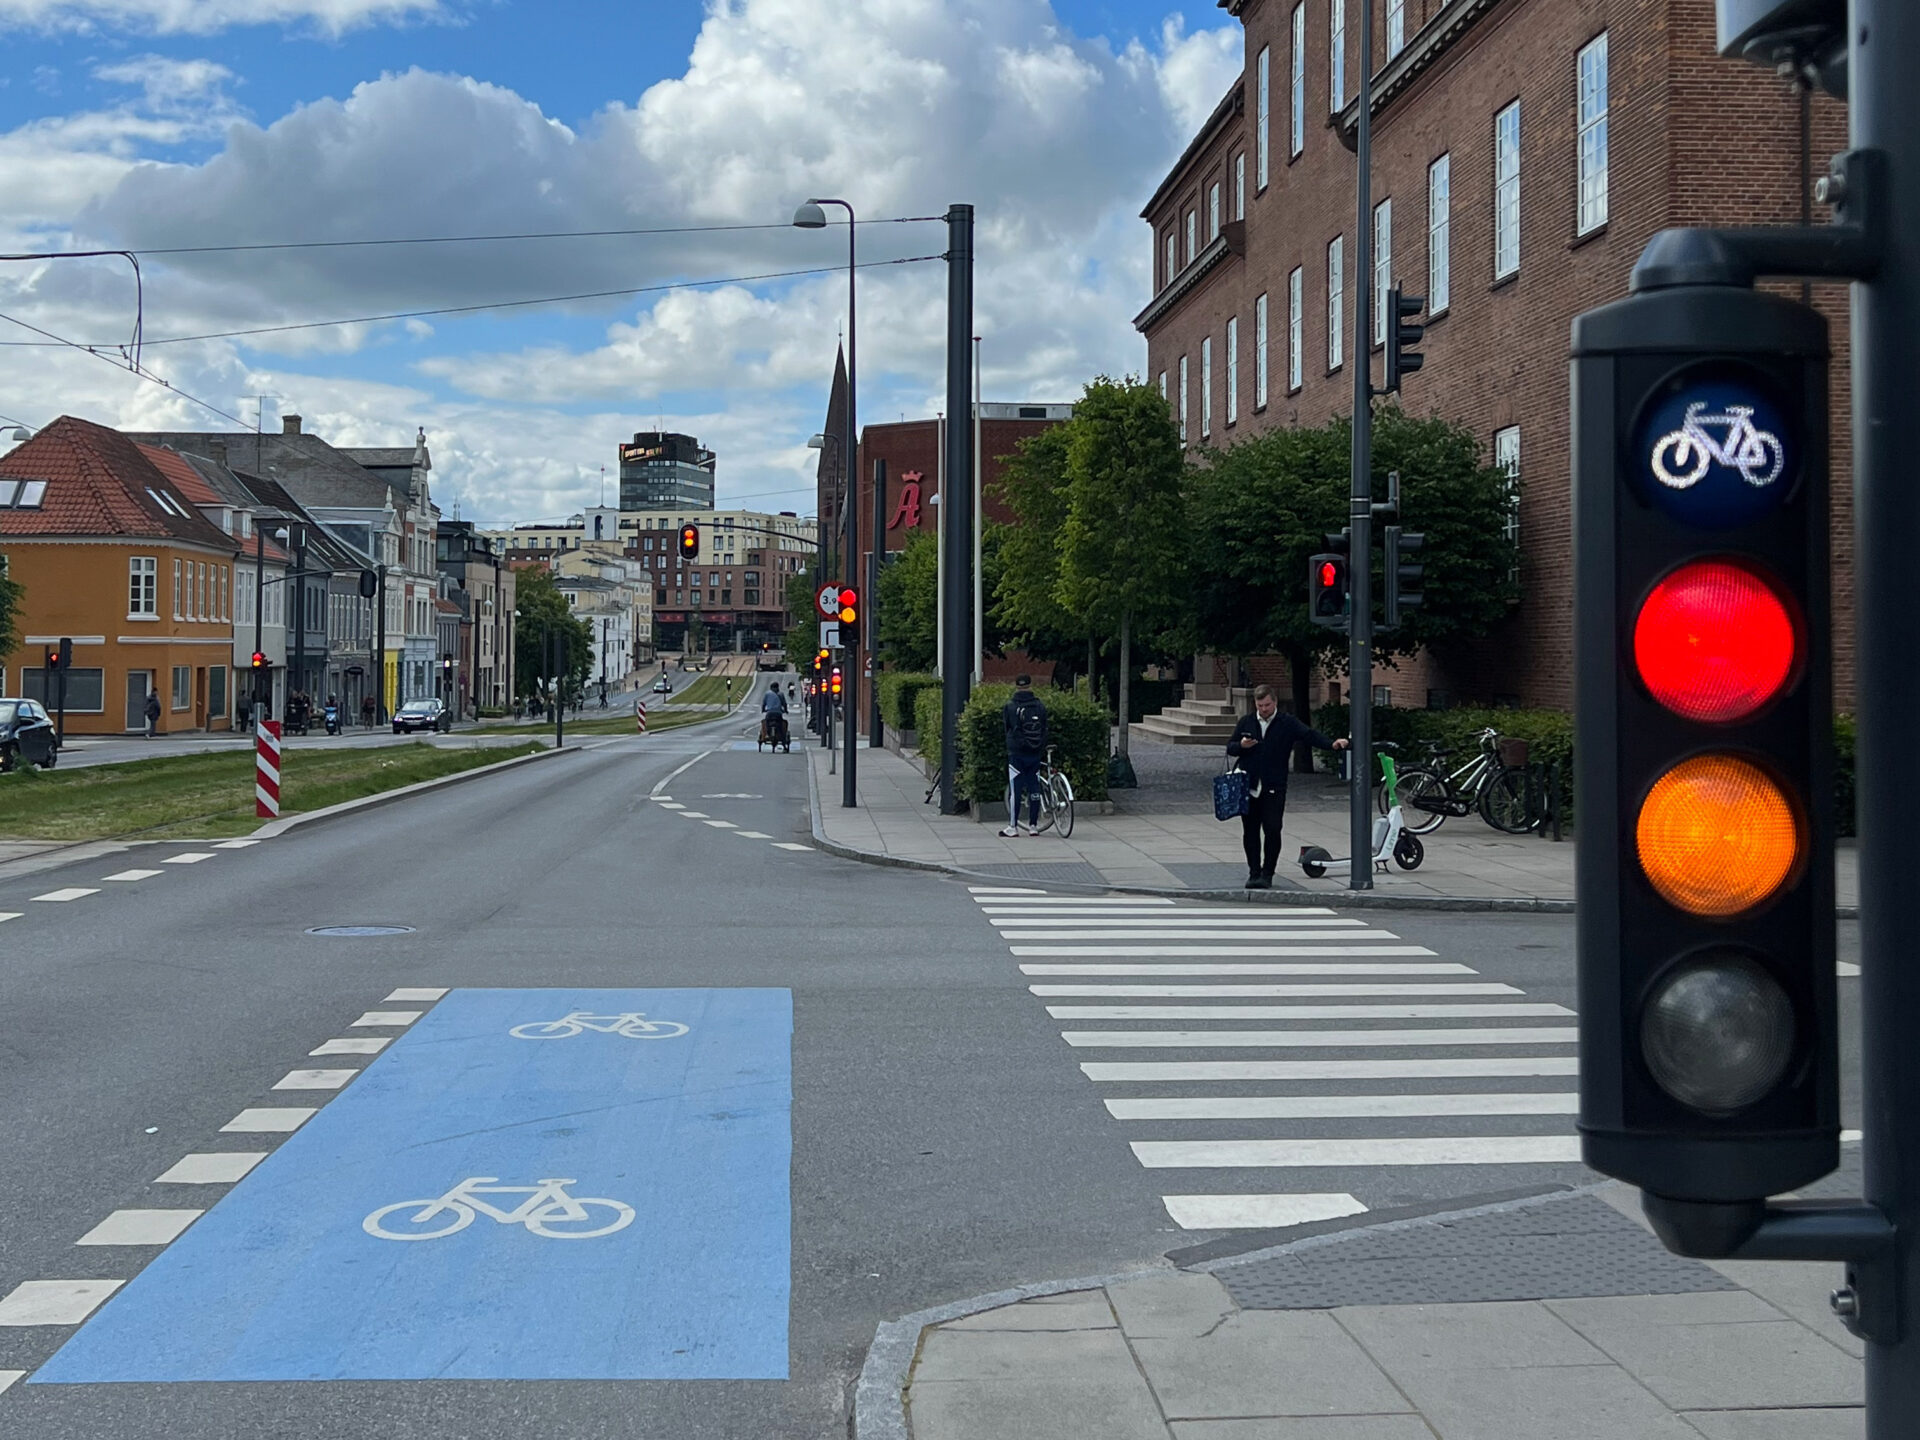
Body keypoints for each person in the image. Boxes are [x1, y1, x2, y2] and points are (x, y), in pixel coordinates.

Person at [1226, 684, 1349, 889]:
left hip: (1275, 785)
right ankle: (1254, 872)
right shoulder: (1247, 722)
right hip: (1249, 786)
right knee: (1250, 831)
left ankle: (1268, 873)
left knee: (1273, 829)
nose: (1263, 709)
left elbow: (1309, 735)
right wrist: (1241, 746)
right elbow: (1230, 747)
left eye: (1267, 705)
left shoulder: (1286, 723)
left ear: (1274, 702)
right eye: (1260, 705)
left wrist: (1331, 744)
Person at [1001, 675, 1049, 838]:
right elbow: (1044, 727)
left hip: (1017, 753)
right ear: (1030, 685)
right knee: (1034, 788)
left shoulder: (1010, 706)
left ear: (1016, 686)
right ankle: (1033, 825)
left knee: (1016, 789)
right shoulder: (1039, 706)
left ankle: (1013, 826)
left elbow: (1007, 728)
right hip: (1035, 753)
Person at [761, 680, 789, 748]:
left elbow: (764, 704)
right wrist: (785, 710)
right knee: (780, 725)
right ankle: (783, 741)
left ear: (771, 688)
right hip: (778, 713)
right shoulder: (781, 694)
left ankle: (767, 734)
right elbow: (784, 704)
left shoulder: (767, 694)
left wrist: (763, 710)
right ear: (778, 687)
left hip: (770, 713)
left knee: (767, 722)